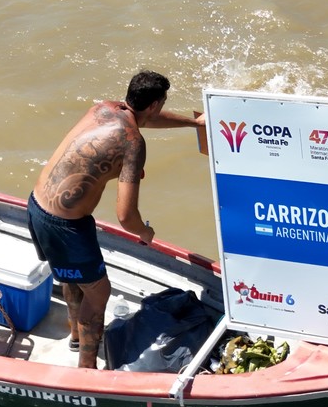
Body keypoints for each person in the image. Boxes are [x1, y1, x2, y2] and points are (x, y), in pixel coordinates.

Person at [29, 70, 204, 368]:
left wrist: (191, 122)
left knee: (74, 277)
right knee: (99, 293)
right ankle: (87, 370)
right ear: (155, 104)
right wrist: (145, 232)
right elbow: (126, 215)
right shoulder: (133, 144)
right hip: (66, 226)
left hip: (36, 206)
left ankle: (75, 336)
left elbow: (146, 118)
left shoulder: (104, 108)